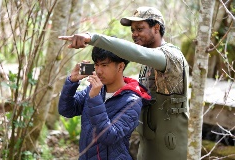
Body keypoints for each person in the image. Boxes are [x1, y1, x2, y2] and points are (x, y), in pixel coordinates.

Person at [58, 6, 189, 160]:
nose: (135, 34)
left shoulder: (170, 55)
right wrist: (72, 82)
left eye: (140, 29)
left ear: (156, 28)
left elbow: (135, 53)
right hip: (148, 141)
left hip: (168, 145)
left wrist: (92, 38)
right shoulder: (97, 89)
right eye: (132, 30)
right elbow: (67, 109)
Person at [58, 46, 151, 160]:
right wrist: (72, 82)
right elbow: (66, 110)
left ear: (120, 67)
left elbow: (109, 136)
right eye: (96, 65)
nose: (98, 71)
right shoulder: (93, 90)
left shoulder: (132, 101)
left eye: (104, 65)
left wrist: (95, 98)